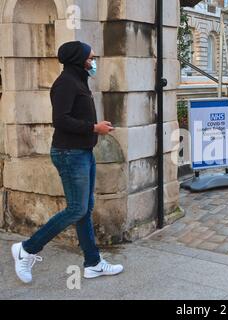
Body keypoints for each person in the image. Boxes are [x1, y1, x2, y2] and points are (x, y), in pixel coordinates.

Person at [11, 41, 124, 284]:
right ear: (78, 59)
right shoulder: (65, 83)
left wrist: (95, 128)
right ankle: (27, 249)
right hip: (69, 154)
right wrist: (94, 127)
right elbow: (60, 120)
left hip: (83, 152)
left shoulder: (78, 80)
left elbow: (75, 116)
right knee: (76, 209)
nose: (93, 62)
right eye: (90, 58)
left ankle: (93, 263)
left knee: (84, 209)